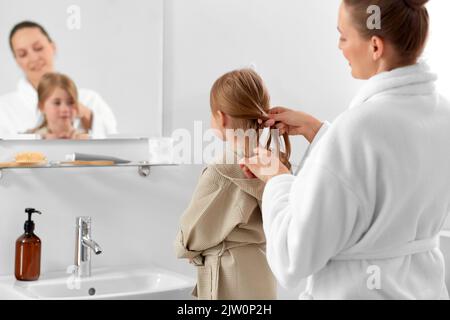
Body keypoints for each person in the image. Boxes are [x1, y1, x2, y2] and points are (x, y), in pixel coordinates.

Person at [241, 0, 450, 299]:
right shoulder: (442, 113)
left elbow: (292, 258)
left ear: (375, 46)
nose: (339, 46)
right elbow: (390, 170)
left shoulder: (356, 131)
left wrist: (277, 179)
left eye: (343, 36)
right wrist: (319, 132)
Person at [174, 69, 290, 300]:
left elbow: (192, 233)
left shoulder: (222, 170)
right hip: (262, 269)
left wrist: (183, 248)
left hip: (230, 276)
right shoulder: (275, 164)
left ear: (221, 117)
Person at [0, 21, 117, 138]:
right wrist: (40, 139)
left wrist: (88, 117)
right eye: (22, 54)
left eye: (38, 48)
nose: (34, 58)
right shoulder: (3, 108)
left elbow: (114, 143)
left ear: (53, 47)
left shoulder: (90, 100)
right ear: (17, 61)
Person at [27, 73, 89, 140]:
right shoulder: (31, 139)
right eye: (57, 103)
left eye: (70, 102)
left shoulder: (85, 138)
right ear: (42, 107)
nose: (64, 109)